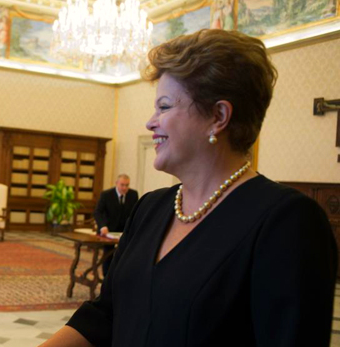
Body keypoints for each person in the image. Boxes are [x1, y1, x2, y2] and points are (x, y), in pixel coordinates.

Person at [40, 29, 337, 347]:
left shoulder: (287, 222)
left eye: (164, 107)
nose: (150, 122)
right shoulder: (151, 207)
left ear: (218, 116)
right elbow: (104, 316)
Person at [93, 174, 138, 276]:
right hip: (108, 230)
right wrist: (102, 226)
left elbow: (135, 213)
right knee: (108, 254)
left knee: (125, 254)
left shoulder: (133, 194)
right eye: (122, 185)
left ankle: (121, 276)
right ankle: (106, 277)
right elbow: (98, 212)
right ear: (116, 183)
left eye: (127, 185)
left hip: (124, 230)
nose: (124, 188)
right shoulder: (106, 194)